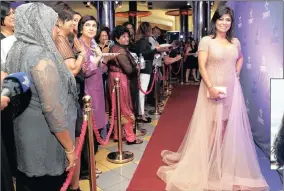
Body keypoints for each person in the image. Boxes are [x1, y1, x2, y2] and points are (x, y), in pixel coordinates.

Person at [157, 6, 269, 191]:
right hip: (212, 87)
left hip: (231, 89)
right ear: (214, 21)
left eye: (228, 20)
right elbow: (201, 66)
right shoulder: (206, 41)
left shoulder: (235, 42)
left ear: (231, 23)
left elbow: (240, 58)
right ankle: (206, 164)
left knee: (226, 126)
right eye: (221, 19)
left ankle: (222, 161)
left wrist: (237, 72)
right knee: (211, 126)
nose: (224, 23)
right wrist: (210, 87)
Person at [4, 3, 77, 190]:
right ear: (40, 25)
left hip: (23, 132)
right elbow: (51, 108)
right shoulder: (41, 56)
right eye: (53, 25)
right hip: (46, 137)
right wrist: (69, 148)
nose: (56, 31)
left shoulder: (16, 49)